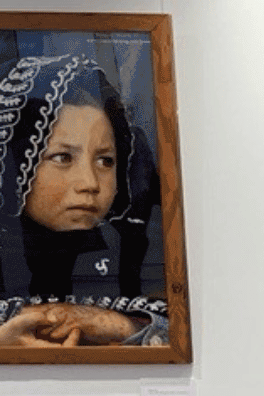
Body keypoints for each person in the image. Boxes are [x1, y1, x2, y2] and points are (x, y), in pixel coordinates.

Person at [0, 53, 168, 346]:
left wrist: (121, 325)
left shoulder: (143, 253)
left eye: (105, 161)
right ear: (14, 162)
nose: (90, 183)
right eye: (63, 157)